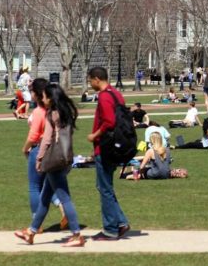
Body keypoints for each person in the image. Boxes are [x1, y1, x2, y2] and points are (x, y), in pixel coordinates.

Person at [15, 82, 85, 247]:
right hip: (64, 158)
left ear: (50, 98)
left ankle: (76, 235)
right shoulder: (66, 112)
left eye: (45, 96)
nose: (43, 99)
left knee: (65, 198)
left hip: (53, 160)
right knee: (45, 197)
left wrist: (39, 159)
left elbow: (46, 140)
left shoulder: (52, 114)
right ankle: (31, 232)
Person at [85, 66, 130, 241]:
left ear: (97, 79)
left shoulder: (104, 97)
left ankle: (110, 229)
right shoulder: (116, 93)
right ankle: (121, 222)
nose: (90, 83)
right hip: (115, 146)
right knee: (105, 187)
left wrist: (93, 136)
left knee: (104, 188)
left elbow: (109, 122)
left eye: (90, 80)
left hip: (105, 148)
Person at [21, 79, 51, 217]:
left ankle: (36, 220)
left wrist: (25, 148)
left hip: (38, 148)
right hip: (52, 149)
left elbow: (33, 136)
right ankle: (65, 211)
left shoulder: (39, 111)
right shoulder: (53, 109)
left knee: (34, 187)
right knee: (50, 185)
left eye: (32, 91)